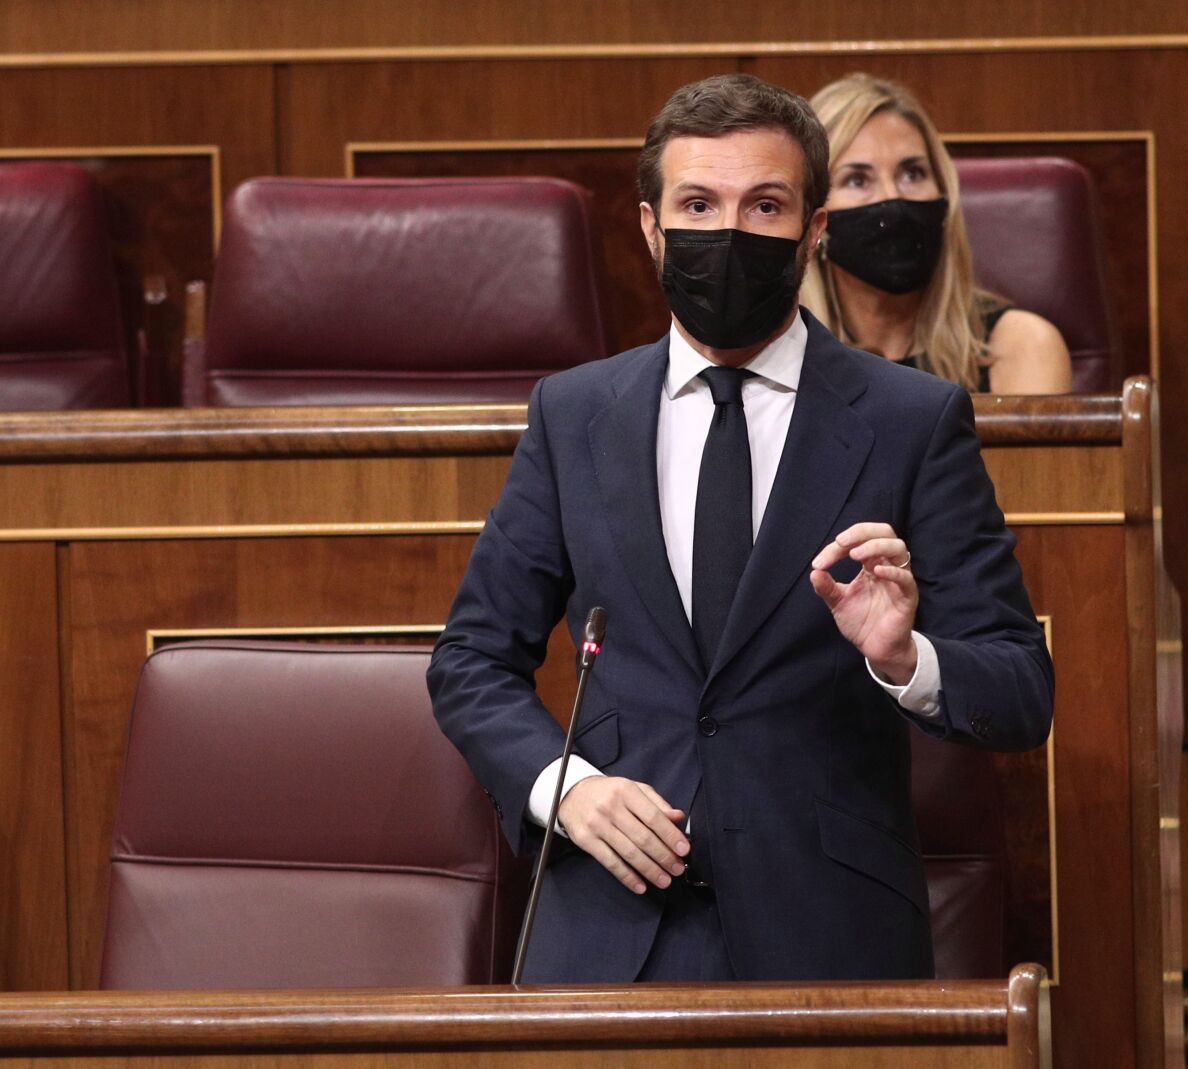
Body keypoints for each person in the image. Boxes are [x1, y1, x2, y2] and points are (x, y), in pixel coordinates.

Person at [427, 73, 1052, 983]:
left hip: (831, 940)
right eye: (698, 205)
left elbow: (1021, 687)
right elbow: (472, 659)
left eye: (764, 205)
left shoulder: (911, 420)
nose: (727, 234)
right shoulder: (574, 414)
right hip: (608, 931)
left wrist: (903, 657)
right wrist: (569, 792)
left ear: (813, 229)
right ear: (651, 228)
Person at [799, 73, 1072, 394]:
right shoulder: (781, 355)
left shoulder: (1020, 347)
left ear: (943, 193)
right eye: (857, 180)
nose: (893, 198)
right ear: (814, 216)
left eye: (912, 174)